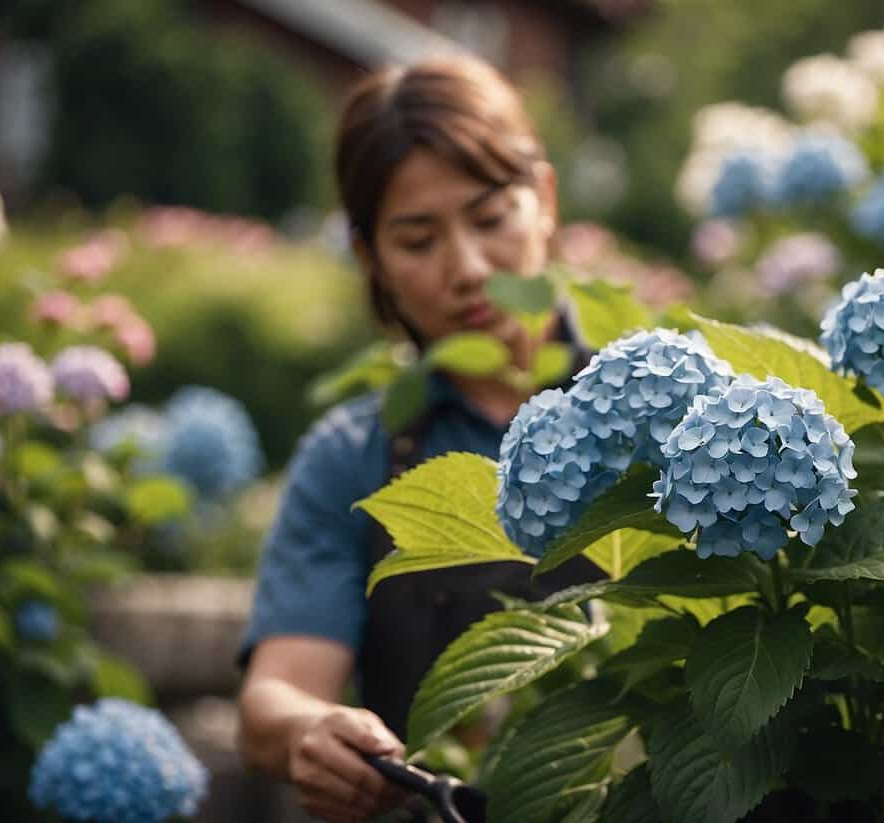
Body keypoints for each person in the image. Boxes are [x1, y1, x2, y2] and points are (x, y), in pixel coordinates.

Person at [236, 54, 593, 822]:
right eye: (417, 238)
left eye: (491, 218)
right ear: (369, 257)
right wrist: (312, 730)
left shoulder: (657, 403)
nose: (466, 269)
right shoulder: (354, 456)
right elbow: (273, 699)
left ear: (546, 200)